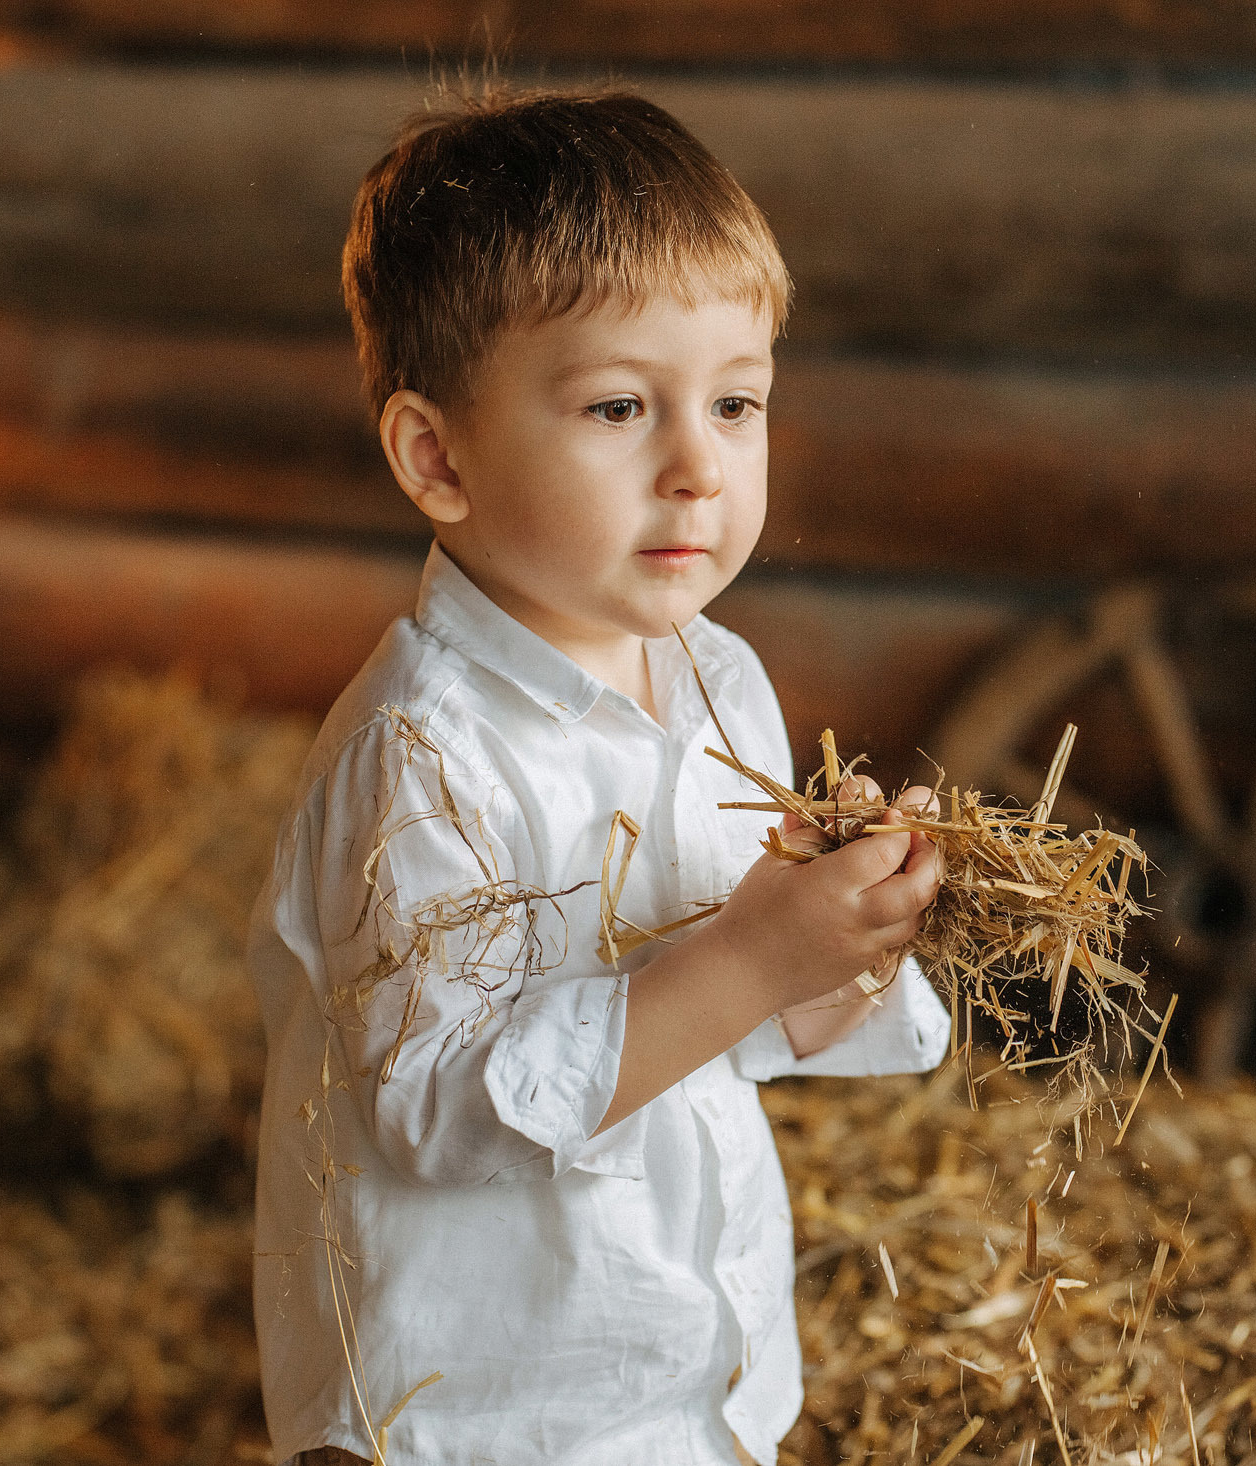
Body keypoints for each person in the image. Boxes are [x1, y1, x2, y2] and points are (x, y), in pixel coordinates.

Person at [249, 85, 951, 1466]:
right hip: (470, 1409)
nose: (699, 467)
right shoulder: (422, 756)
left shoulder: (713, 677)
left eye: (737, 402)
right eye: (622, 406)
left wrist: (837, 942)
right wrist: (754, 956)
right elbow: (438, 1110)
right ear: (437, 456)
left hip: (671, 1376)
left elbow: (717, 1023)